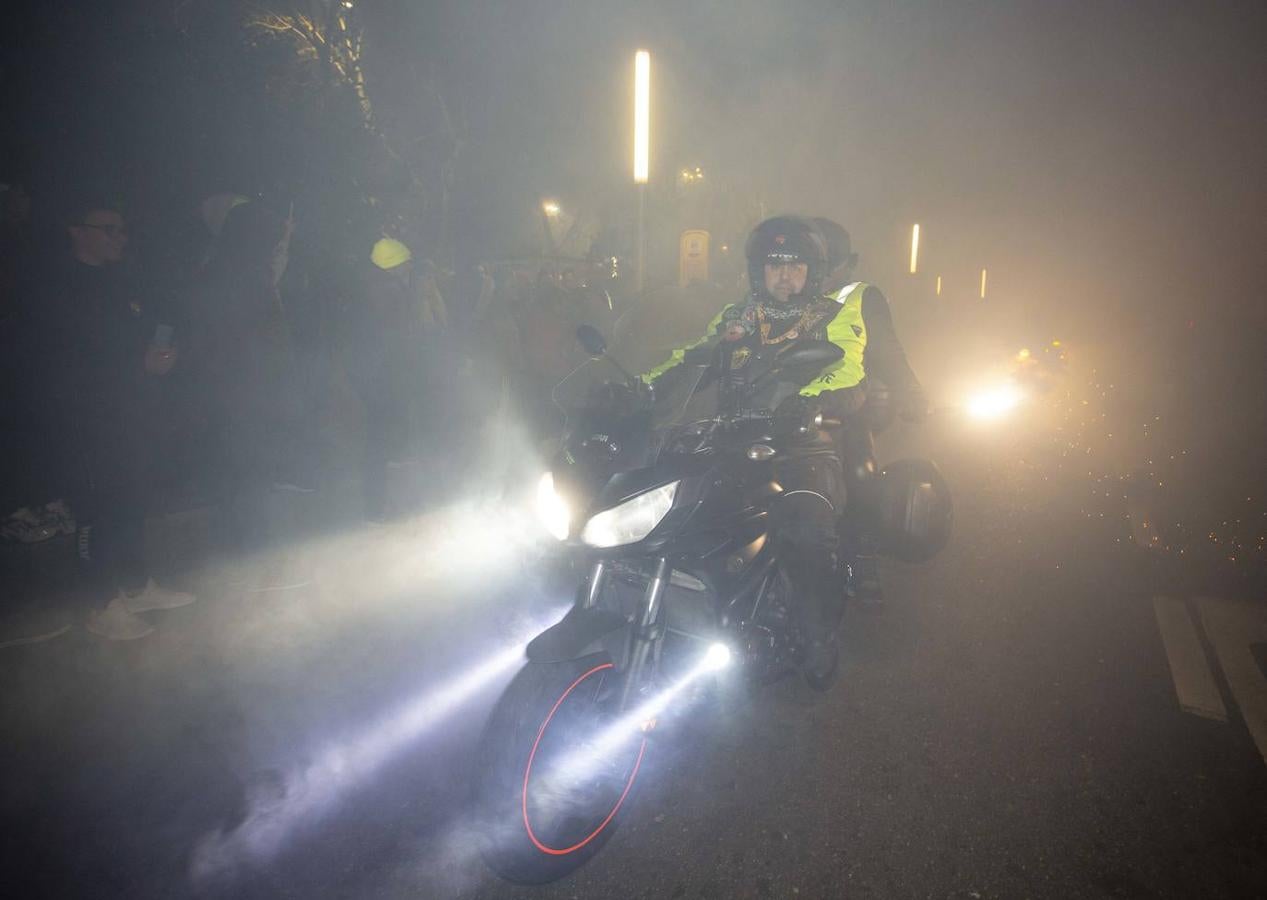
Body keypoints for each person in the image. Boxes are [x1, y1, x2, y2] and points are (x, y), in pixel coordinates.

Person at [641, 216, 848, 674]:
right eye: (775, 266)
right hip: (735, 441)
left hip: (807, 446)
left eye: (796, 265)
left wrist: (808, 400)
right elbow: (694, 357)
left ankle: (818, 638)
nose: (786, 275)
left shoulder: (833, 317)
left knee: (806, 529)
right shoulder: (736, 318)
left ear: (812, 272)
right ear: (759, 271)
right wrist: (645, 390)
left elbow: (848, 371)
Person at [31, 200, 195, 639]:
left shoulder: (122, 281)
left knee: (131, 499)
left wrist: (160, 359)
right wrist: (134, 366)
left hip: (130, 409)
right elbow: (63, 359)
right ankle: (100, 605)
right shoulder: (56, 286)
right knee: (99, 507)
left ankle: (136, 585)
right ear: (76, 231)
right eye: (109, 230)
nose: (119, 239)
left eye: (123, 231)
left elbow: (135, 338)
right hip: (86, 417)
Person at [809, 217, 927, 604]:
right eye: (814, 262)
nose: (822, 274)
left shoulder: (862, 298)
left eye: (830, 264)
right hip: (780, 407)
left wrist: (908, 389)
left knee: (860, 470)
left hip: (844, 408)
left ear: (848, 263)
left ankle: (861, 555)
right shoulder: (783, 293)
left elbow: (888, 351)